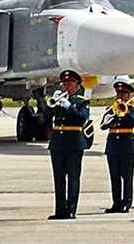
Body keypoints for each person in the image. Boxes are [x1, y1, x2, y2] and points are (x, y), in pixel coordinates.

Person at [46, 69, 90, 219]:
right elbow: (45, 117)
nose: (66, 87)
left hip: (74, 143)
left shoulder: (81, 101)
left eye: (70, 84)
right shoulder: (58, 100)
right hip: (57, 143)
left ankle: (71, 209)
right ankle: (60, 210)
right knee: (58, 178)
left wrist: (69, 107)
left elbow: (82, 118)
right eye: (64, 84)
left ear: (77, 86)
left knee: (73, 177)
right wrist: (51, 104)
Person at [101, 75, 134, 214]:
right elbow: (103, 126)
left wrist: (125, 110)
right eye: (118, 93)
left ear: (129, 95)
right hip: (113, 145)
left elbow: (133, 121)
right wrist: (108, 119)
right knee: (115, 176)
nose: (120, 96)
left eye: (123, 93)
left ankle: (127, 202)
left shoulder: (133, 109)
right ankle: (116, 202)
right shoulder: (111, 108)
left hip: (127, 145)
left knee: (127, 176)